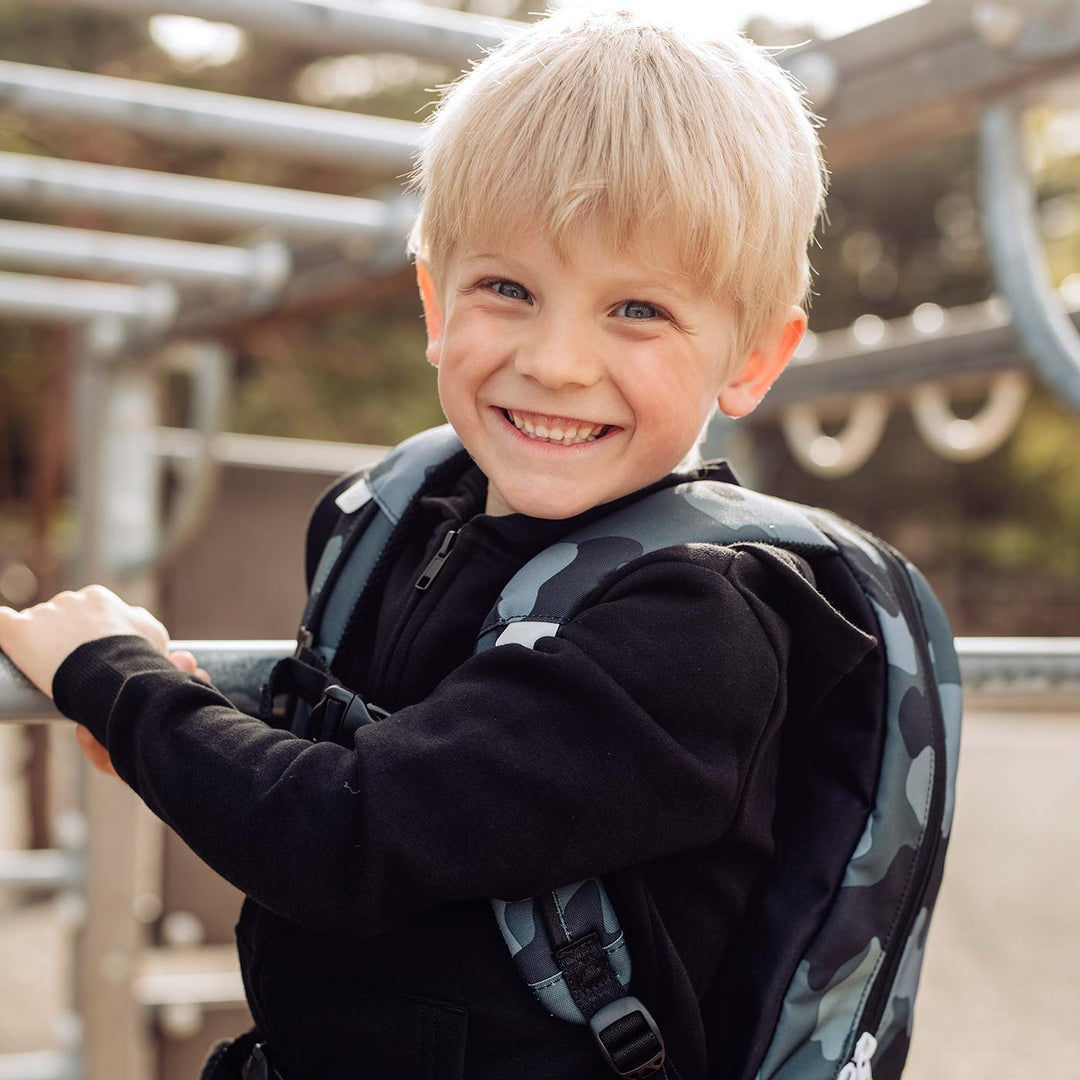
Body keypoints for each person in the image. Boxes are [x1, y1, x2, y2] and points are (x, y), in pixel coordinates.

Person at [0, 7, 882, 1078]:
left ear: (753, 356)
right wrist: (197, 719)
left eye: (638, 309)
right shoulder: (399, 520)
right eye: (508, 288)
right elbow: (380, 746)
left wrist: (121, 685)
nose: (557, 361)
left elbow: (347, 836)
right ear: (435, 296)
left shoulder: (695, 630)